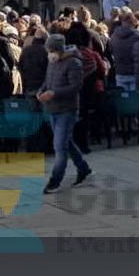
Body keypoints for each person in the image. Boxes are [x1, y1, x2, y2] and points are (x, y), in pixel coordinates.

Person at [37, 34, 92, 193]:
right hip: (52, 108)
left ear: (59, 49)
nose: (50, 53)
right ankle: (83, 169)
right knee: (66, 142)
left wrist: (54, 93)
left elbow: (75, 86)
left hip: (67, 109)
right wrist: (42, 91)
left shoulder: (73, 62)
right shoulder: (52, 62)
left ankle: (55, 181)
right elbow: (47, 81)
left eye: (52, 50)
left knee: (59, 147)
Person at [109, 9, 139, 92]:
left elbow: (111, 51)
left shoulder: (114, 36)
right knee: (134, 99)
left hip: (120, 72)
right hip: (134, 72)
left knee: (123, 100)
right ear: (133, 23)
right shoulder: (138, 37)